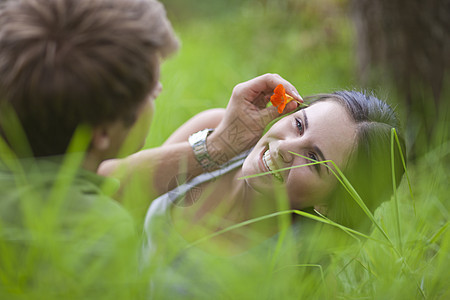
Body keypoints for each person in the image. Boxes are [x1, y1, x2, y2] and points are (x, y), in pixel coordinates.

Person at [0, 0, 302, 296]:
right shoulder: (98, 234)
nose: (159, 90)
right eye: (150, 91)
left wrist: (220, 145)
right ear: (103, 133)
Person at [102, 90, 406, 256]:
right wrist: (218, 146)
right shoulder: (215, 131)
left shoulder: (296, 267)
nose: (287, 147)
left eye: (313, 159)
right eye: (299, 124)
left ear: (327, 204)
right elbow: (101, 188)